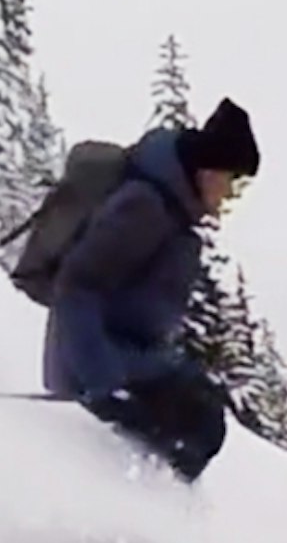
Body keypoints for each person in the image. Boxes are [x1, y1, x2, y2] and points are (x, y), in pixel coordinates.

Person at [41, 97, 259, 482]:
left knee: (200, 416)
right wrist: (104, 384)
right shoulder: (145, 206)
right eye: (233, 182)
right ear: (209, 172)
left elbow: (141, 313)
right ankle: (120, 523)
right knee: (197, 423)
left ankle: (147, 517)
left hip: (126, 361)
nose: (230, 197)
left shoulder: (173, 215)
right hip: (95, 368)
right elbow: (76, 288)